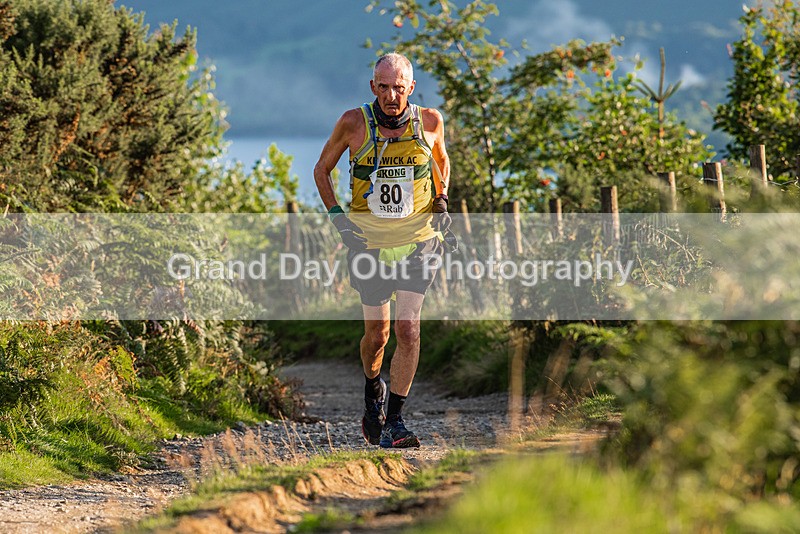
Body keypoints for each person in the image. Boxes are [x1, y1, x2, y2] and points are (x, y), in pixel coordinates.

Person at [313, 52, 451, 448]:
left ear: (411, 87)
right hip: (369, 244)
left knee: (408, 329)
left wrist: (441, 198)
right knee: (378, 335)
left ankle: (395, 421)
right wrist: (340, 219)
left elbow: (441, 160)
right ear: (373, 87)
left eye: (399, 86)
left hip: (418, 240)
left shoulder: (430, 121)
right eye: (384, 86)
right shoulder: (353, 122)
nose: (392, 94)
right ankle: (373, 390)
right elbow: (321, 170)